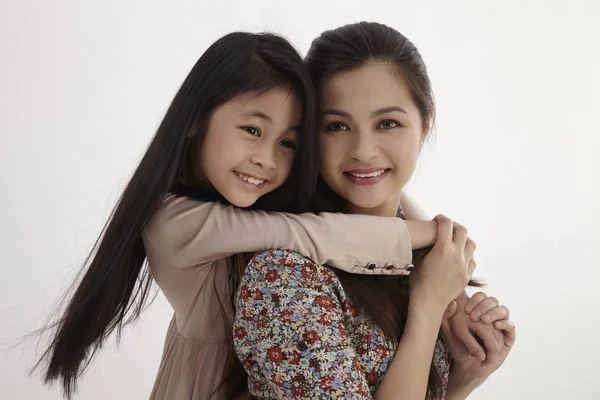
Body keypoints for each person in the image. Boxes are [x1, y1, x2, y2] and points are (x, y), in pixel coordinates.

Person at [35, 31, 452, 400]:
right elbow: (313, 233)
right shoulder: (176, 221)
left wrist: (453, 288)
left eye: (288, 143)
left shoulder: (260, 205)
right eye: (252, 130)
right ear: (197, 119)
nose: (266, 160)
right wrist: (440, 240)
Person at [234, 22, 516, 399]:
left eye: (388, 123)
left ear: (425, 125)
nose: (363, 150)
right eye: (337, 125)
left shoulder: (428, 261)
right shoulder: (283, 278)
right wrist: (428, 307)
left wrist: (463, 378)